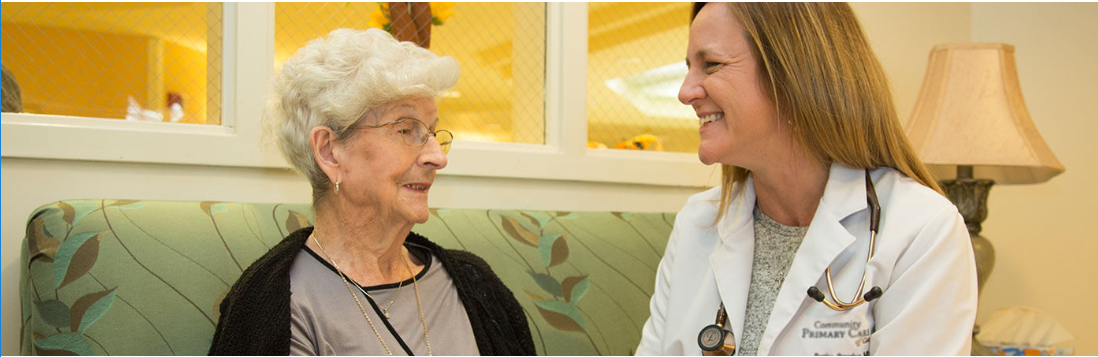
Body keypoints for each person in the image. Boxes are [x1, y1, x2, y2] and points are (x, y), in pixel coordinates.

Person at [636, 3, 977, 355]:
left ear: (795, 72)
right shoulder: (698, 222)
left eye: (712, 65)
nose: (685, 91)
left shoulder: (922, 231)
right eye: (689, 68)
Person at [208, 28, 535, 356]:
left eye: (433, 131)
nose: (438, 156)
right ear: (329, 152)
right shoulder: (282, 307)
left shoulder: (473, 284)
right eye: (407, 130)